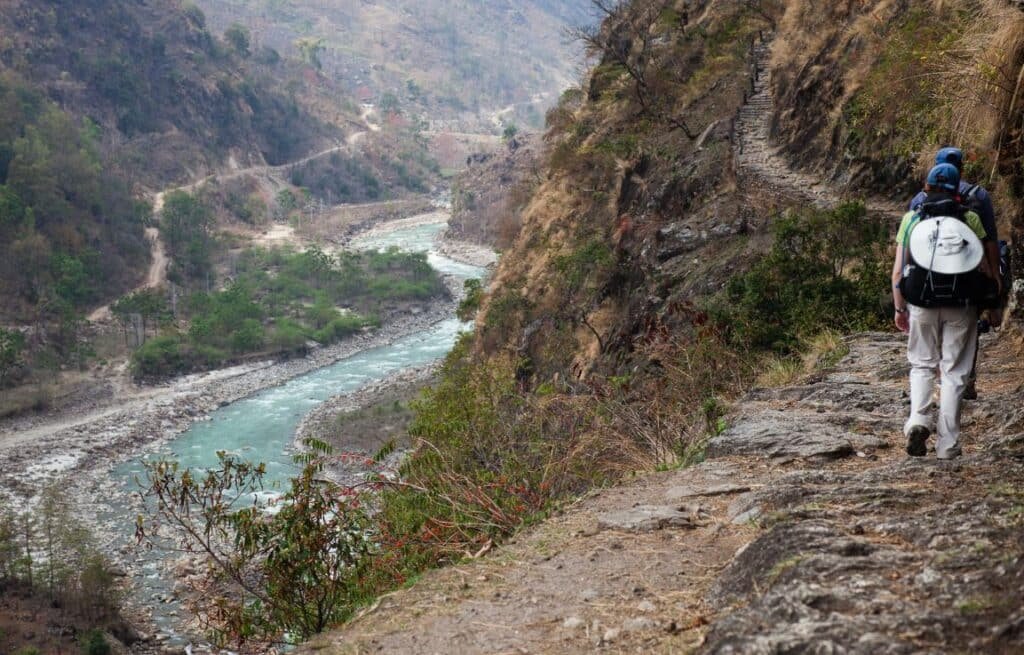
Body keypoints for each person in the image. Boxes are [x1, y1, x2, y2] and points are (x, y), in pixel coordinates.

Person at [892, 163, 995, 459]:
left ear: (926, 187)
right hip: (962, 305)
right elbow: (984, 264)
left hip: (922, 303)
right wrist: (991, 297)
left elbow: (899, 270)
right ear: (957, 188)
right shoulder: (971, 218)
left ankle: (918, 420)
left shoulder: (912, 218)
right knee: (954, 373)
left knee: (922, 364)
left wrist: (900, 308)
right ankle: (948, 445)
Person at [909, 147, 1002, 399]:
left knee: (933, 330)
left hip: (928, 277)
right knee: (966, 325)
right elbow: (990, 240)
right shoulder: (978, 196)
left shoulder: (919, 200)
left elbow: (910, 243)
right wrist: (995, 275)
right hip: (967, 274)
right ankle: (964, 380)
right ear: (961, 169)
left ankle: (935, 387)